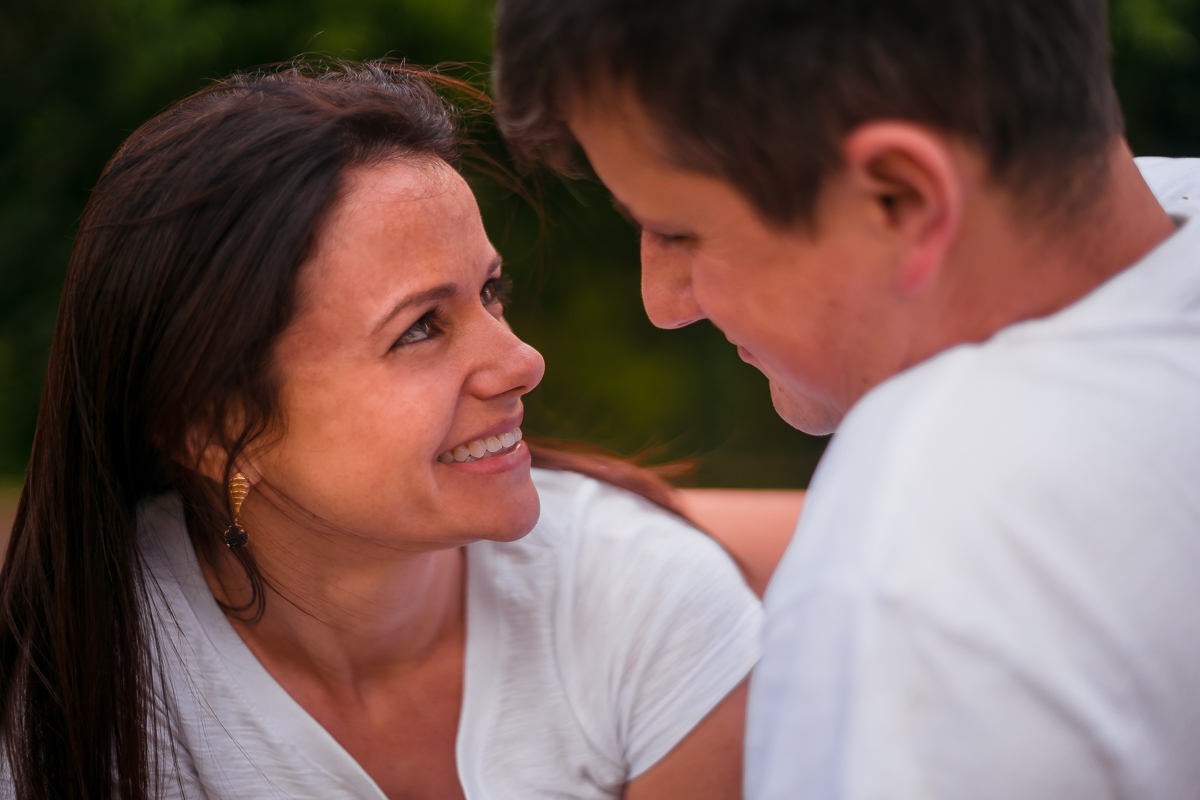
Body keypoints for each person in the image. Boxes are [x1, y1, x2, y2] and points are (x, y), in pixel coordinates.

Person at [492, 1, 1200, 797]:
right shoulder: (1165, 216)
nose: (664, 301)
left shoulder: (925, 560)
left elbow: (920, 569)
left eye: (677, 231)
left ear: (899, 197)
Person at [0, 62, 762, 800]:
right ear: (213, 426)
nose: (523, 361)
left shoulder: (646, 602)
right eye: (421, 328)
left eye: (491, 292)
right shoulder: (80, 693)